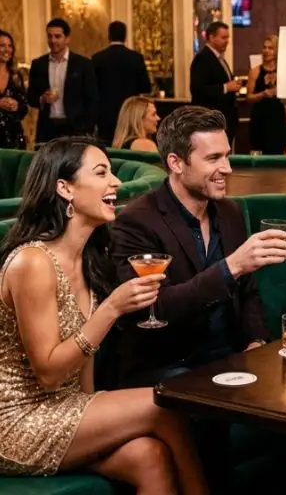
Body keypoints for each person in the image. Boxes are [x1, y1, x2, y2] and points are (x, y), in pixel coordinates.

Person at [0, 137, 207, 493]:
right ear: (65, 188)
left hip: (65, 410)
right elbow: (48, 373)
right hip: (16, 423)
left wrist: (96, 410)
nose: (116, 182)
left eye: (112, 172)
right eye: (101, 173)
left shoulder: (90, 260)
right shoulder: (32, 262)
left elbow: (84, 365)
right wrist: (111, 308)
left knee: (149, 455)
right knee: (164, 404)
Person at [109, 106, 286, 387]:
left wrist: (257, 342)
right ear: (176, 163)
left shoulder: (229, 212)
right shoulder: (137, 222)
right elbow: (155, 308)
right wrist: (231, 267)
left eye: (227, 156)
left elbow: (248, 292)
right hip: (170, 365)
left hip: (230, 359)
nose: (227, 169)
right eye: (213, 158)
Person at [27, 18, 99, 143]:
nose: (53, 41)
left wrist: (85, 127)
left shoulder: (83, 64)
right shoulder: (38, 64)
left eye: (57, 36)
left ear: (67, 39)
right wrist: (42, 99)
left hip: (75, 129)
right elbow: (30, 96)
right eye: (49, 36)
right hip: (47, 129)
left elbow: (92, 99)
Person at [92, 21, 151, 144]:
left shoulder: (97, 58)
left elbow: (92, 89)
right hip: (130, 116)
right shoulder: (135, 57)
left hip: (104, 116)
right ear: (125, 36)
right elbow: (145, 86)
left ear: (109, 36)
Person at [190, 21, 239, 145]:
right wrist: (226, 87)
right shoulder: (203, 58)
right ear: (211, 37)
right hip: (210, 122)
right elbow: (197, 89)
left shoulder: (219, 58)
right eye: (223, 37)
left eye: (228, 37)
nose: (227, 41)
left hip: (225, 120)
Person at [245, 35, 286, 154]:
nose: (266, 51)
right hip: (259, 119)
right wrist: (262, 94)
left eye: (270, 48)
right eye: (264, 47)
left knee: (277, 153)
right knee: (258, 153)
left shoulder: (283, 71)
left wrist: (281, 94)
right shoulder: (255, 71)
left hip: (277, 118)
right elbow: (248, 97)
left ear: (277, 50)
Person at [0, 29, 28, 150]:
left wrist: (17, 106)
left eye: (10, 46)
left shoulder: (16, 76)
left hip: (14, 139)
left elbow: (24, 108)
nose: (7, 49)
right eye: (2, 46)